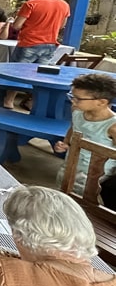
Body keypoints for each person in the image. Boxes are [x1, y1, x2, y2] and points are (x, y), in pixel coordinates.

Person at [0, 0, 70, 108]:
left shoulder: (31, 4)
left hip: (29, 43)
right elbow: (62, 25)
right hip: (50, 44)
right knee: (40, 75)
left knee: (17, 73)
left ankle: (9, 100)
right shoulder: (64, 4)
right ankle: (33, 102)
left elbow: (17, 26)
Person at [53, 73, 116, 206]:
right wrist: (65, 143)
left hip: (95, 178)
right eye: (72, 97)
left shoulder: (113, 126)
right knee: (63, 198)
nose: (73, 101)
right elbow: (73, 127)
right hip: (70, 167)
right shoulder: (77, 111)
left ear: (101, 102)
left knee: (84, 205)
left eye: (78, 99)